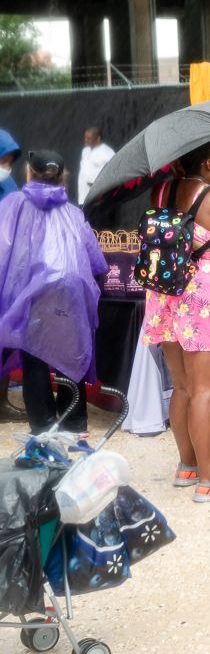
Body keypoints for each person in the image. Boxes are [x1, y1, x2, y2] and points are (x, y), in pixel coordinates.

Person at [140, 140, 210, 502]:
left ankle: (188, 467)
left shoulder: (162, 191)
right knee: (205, 389)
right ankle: (208, 483)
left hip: (166, 295)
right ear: (207, 164)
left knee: (183, 386)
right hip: (203, 299)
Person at [0, 150, 107, 436]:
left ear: (28, 173)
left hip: (29, 293)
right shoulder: (73, 212)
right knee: (71, 352)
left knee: (33, 352)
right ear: (63, 177)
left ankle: (44, 424)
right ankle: (74, 422)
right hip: (71, 289)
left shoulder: (13, 205)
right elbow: (95, 259)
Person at [0, 129, 27, 423]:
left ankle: (2, 400)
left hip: (7, 275)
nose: (5, 166)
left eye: (9, 161)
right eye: (2, 159)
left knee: (5, 337)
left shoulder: (8, 183)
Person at [77, 126, 115, 204]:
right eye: (85, 138)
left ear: (98, 138)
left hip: (100, 198)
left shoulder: (108, 153)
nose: (85, 141)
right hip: (83, 197)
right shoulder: (85, 151)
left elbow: (114, 172)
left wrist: (98, 184)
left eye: (89, 139)